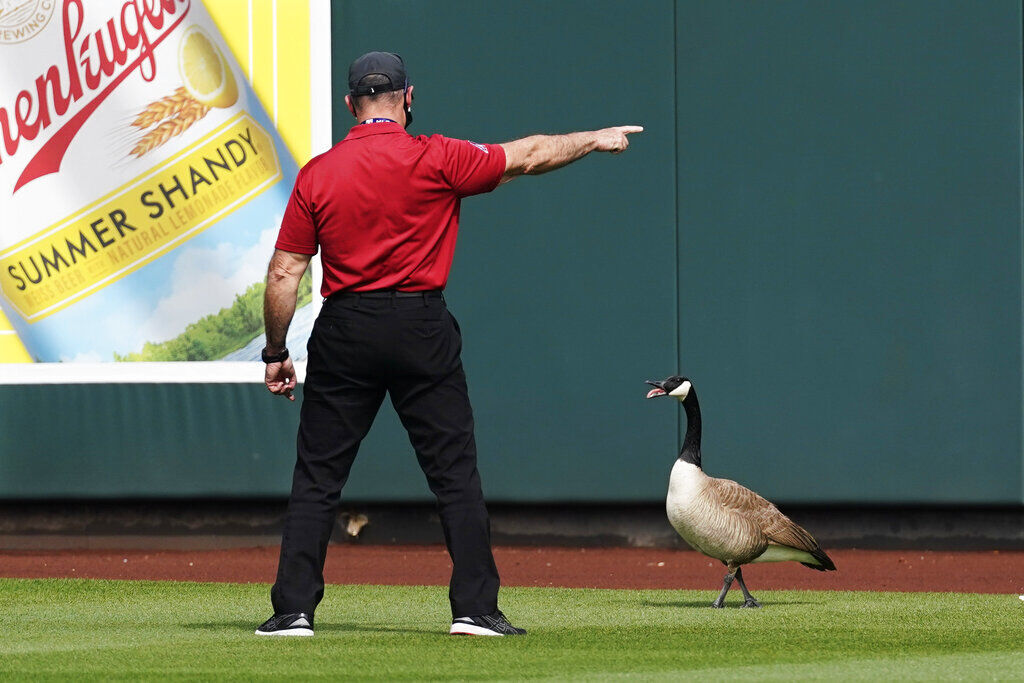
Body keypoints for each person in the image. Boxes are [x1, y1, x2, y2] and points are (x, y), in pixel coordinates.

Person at [255, 51, 642, 637]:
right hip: (420, 326)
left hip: (346, 328)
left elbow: (286, 274)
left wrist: (276, 352)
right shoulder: (438, 156)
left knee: (318, 477)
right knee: (454, 474)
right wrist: (594, 138)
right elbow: (531, 154)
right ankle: (476, 611)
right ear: (408, 98)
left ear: (349, 104)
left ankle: (293, 612)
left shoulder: (319, 172)